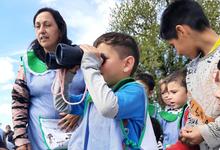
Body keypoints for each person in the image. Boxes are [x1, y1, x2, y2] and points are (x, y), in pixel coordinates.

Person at [53, 32, 157, 149]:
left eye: (102, 59)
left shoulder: (135, 91)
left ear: (127, 64)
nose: (97, 64)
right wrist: (66, 75)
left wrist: (89, 66)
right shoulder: (94, 95)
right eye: (95, 59)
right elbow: (62, 104)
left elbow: (108, 107)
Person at [11, 7, 85, 150]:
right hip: (40, 142)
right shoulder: (28, 63)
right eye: (37, 26)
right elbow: (18, 101)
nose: (41, 30)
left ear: (60, 29)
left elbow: (100, 89)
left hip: (79, 139)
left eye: (47, 25)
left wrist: (82, 109)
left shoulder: (80, 57)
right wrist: (20, 139)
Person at [160, 0, 220, 149]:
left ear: (181, 31)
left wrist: (207, 133)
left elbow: (204, 131)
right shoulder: (191, 69)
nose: (178, 52)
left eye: (173, 45)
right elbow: (195, 114)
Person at [157, 69, 188, 149]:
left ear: (188, 90)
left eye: (173, 92)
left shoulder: (192, 112)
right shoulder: (162, 114)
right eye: (165, 93)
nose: (169, 97)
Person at [135, 72, 163, 149]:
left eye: (142, 88)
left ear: (150, 93)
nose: (136, 92)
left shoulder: (155, 122)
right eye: (134, 87)